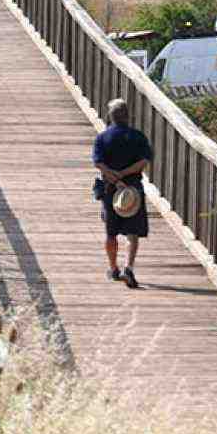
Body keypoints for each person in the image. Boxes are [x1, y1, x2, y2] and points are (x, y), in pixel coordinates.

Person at [92, 98, 152, 290]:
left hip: (111, 190)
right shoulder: (138, 137)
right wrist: (125, 175)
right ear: (128, 116)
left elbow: (99, 163)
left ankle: (113, 268)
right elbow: (143, 161)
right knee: (132, 233)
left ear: (110, 116)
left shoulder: (102, 138)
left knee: (111, 233)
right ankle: (129, 268)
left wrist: (115, 179)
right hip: (133, 190)